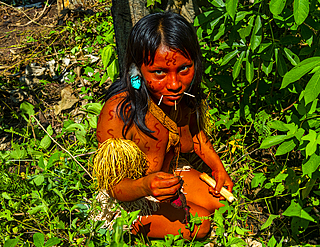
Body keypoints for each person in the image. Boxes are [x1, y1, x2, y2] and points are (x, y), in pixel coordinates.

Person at [93, 11, 234, 240]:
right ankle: (124, 231)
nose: (175, 84)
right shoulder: (118, 111)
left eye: (184, 69)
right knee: (201, 224)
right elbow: (113, 185)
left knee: (224, 203)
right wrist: (145, 186)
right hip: (129, 198)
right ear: (137, 70)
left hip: (172, 175)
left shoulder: (184, 100)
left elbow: (195, 136)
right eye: (159, 73)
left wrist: (217, 167)